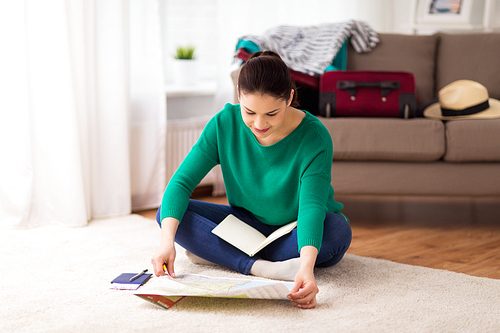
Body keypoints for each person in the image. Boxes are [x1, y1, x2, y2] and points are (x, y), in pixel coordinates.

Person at [151, 51, 352, 309]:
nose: (259, 123)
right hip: (246, 226)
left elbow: (312, 207)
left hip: (293, 230)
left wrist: (306, 268)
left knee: (337, 231)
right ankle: (259, 267)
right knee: (168, 215)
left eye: (271, 113)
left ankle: (220, 253)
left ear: (290, 97)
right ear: (238, 94)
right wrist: (166, 243)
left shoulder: (314, 137)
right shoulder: (223, 124)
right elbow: (180, 183)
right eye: (249, 112)